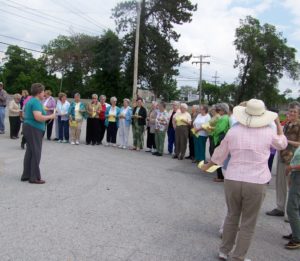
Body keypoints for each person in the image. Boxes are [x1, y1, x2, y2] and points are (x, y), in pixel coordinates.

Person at [201, 99, 287, 261]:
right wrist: (277, 123)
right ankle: (239, 255)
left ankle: (224, 251)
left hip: (233, 178)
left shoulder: (235, 130)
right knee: (248, 221)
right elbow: (282, 144)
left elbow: (220, 153)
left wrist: (208, 165)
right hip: (256, 181)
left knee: (232, 215)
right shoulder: (269, 132)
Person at [267, 102, 300, 218]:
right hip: (282, 156)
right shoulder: (287, 123)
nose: (291, 113)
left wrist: (286, 141)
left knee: (291, 186)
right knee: (280, 184)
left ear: (299, 113)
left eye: (294, 111)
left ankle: (290, 213)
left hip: (292, 159)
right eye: (290, 111)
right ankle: (280, 207)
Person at [21, 83, 56, 184]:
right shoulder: (36, 102)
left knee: (30, 152)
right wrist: (50, 116)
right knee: (36, 152)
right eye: (43, 91)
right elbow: (38, 117)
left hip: (29, 127)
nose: (44, 93)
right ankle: (34, 177)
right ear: (39, 92)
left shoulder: (31, 101)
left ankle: (26, 175)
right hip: (34, 128)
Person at [284, 145, 300, 249]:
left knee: (291, 208)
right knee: (297, 206)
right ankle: (296, 232)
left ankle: (297, 238)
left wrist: (291, 168)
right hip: (296, 175)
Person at [211, 103, 230, 182]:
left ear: (223, 110)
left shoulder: (224, 118)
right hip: (219, 138)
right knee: (219, 157)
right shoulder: (224, 117)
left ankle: (220, 176)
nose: (218, 111)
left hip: (219, 138)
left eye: (220, 110)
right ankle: (220, 175)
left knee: (218, 157)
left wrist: (213, 130)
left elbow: (220, 129)